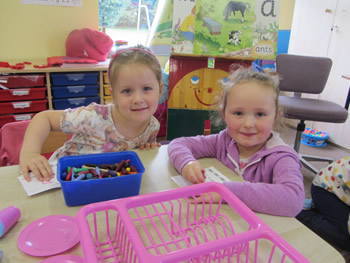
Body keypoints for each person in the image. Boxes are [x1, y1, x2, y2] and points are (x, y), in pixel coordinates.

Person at [168, 66, 304, 217]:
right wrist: (187, 163)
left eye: (260, 114)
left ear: (275, 116)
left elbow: (293, 200)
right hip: (220, 220)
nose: (248, 124)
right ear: (224, 114)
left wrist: (226, 191)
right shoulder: (224, 140)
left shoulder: (281, 156)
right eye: (238, 113)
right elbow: (178, 143)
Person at [20, 46, 163, 182]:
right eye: (127, 91)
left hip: (105, 184)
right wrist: (29, 154)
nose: (138, 99)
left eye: (146, 88)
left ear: (160, 91)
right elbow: (44, 118)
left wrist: (146, 149)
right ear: (113, 95)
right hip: (60, 179)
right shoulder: (93, 117)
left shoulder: (152, 125)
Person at [296, 157, 350, 251]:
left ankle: (318, 208)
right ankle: (301, 212)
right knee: (346, 240)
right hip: (325, 188)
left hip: (343, 192)